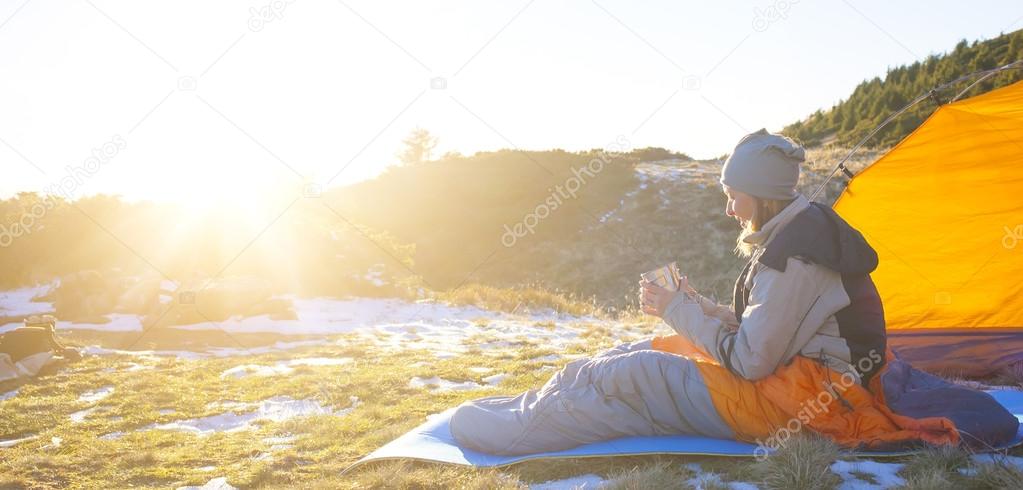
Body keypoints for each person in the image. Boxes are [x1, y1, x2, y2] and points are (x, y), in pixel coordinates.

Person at [449, 129, 1018, 456]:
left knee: (635, 377)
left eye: (733, 195)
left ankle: (520, 430)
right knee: (629, 355)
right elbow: (768, 329)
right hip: (800, 375)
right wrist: (693, 308)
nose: (728, 208)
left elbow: (749, 360)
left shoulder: (796, 255)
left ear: (762, 195)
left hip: (812, 403)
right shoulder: (797, 232)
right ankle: (538, 404)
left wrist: (680, 310)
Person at [0, 315, 81, 383]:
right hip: (23, 360)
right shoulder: (45, 331)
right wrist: (69, 352)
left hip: (8, 355)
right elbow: (57, 348)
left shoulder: (16, 331)